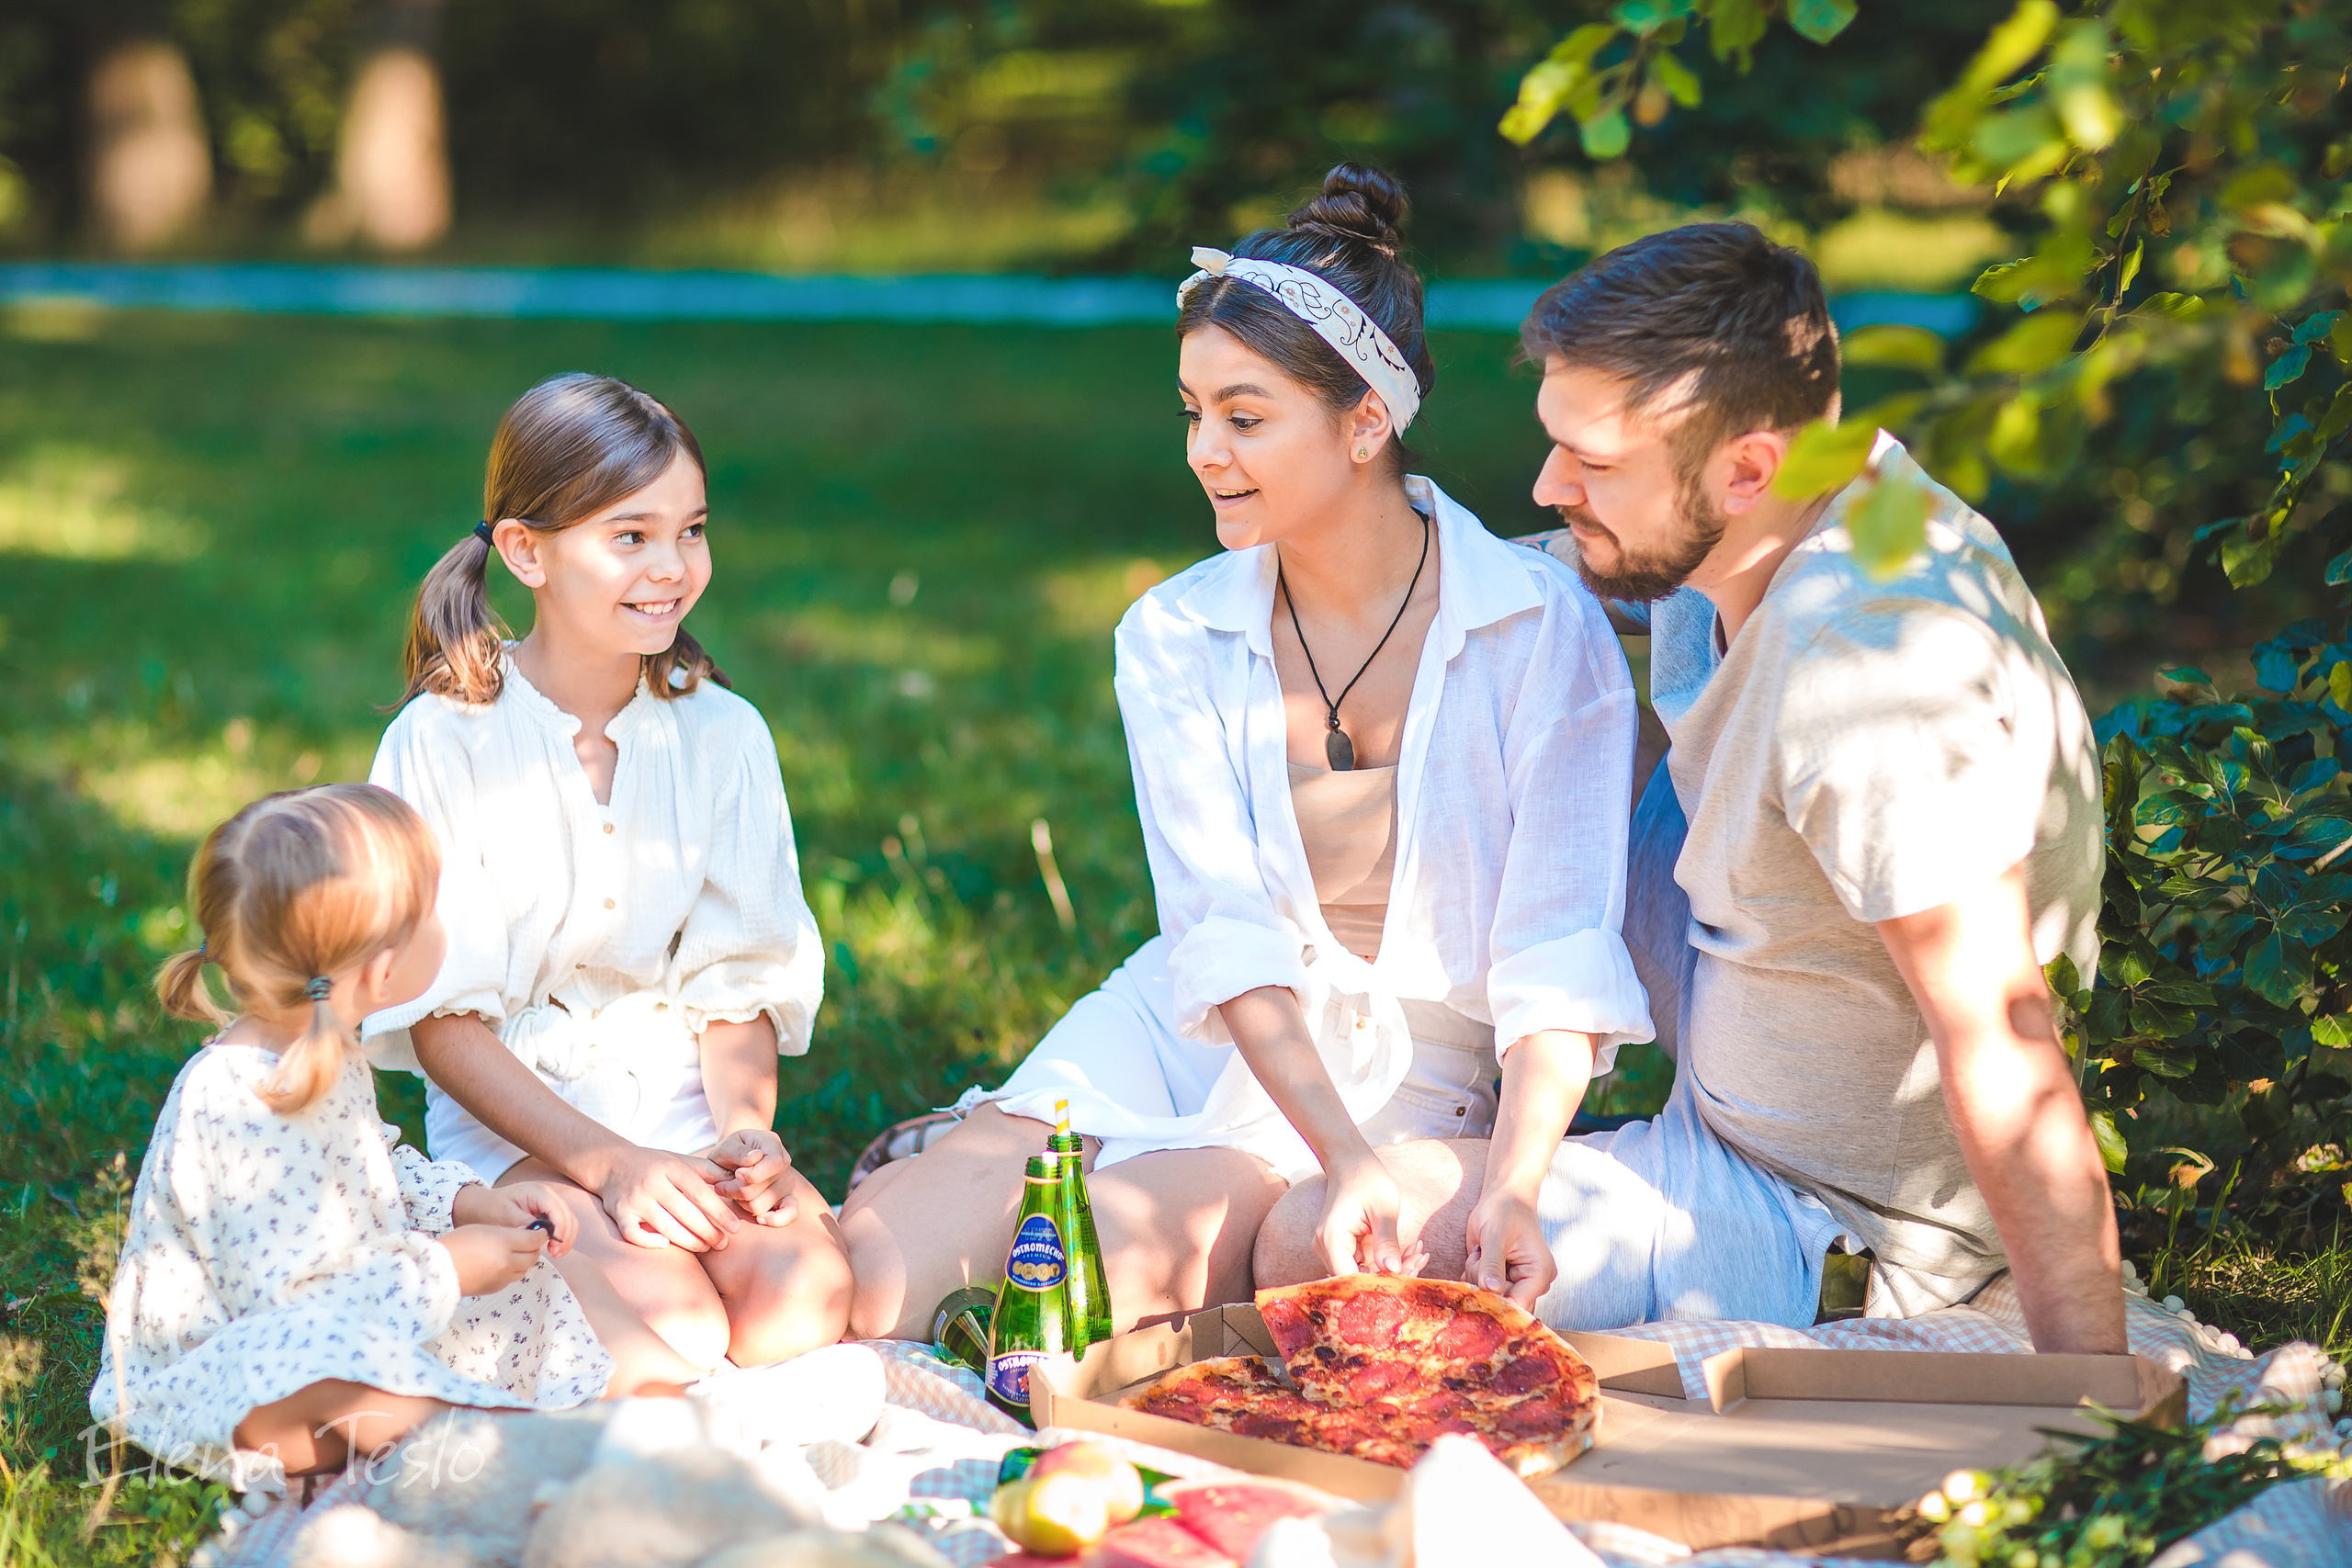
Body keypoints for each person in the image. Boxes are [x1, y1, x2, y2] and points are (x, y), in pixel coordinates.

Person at [1255, 222, 2124, 1355]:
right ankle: (1363, 1049)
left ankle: (1485, 1130)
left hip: (1829, 1212)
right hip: (1737, 970)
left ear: (1747, 468)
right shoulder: (1782, 507)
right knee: (1518, 644)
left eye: (1594, 465)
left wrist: (2093, 1403)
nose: (1547, 484)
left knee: (1310, 1242)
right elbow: (1528, 577)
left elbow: (2002, 1046)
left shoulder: (1870, 691)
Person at [840, 164, 1654, 1343]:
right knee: (841, 1285)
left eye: (1245, 415)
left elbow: (1555, 959)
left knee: (1071, 1287)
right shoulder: (1175, 632)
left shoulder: (1536, 629)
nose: (1203, 452)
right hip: (1191, 1024)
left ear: (1366, 420)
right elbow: (1220, 936)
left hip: (1401, 1074)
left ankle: (1005, 1173)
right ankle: (959, 1156)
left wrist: (1495, 1178)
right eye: (1192, 411)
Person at [364, 374, 851, 1371]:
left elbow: (738, 981)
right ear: (525, 551)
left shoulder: (725, 735)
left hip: (683, 1116)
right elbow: (442, 1020)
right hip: (529, 1131)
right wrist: (612, 1166)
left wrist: (746, 1137)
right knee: (674, 1335)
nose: (672, 567)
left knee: (797, 1305)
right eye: (630, 537)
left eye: (693, 530)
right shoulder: (443, 743)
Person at [92, 784, 698, 1490]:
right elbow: (290, 1308)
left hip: (370, 1308)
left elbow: (377, 1170)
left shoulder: (326, 1050)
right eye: (430, 912)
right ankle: (520, 1443)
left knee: (557, 1276)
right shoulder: (233, 1104)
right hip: (233, 1378)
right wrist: (444, 1268)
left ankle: (686, 1403)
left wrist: (467, 1204)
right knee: (348, 1385)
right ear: (383, 970)